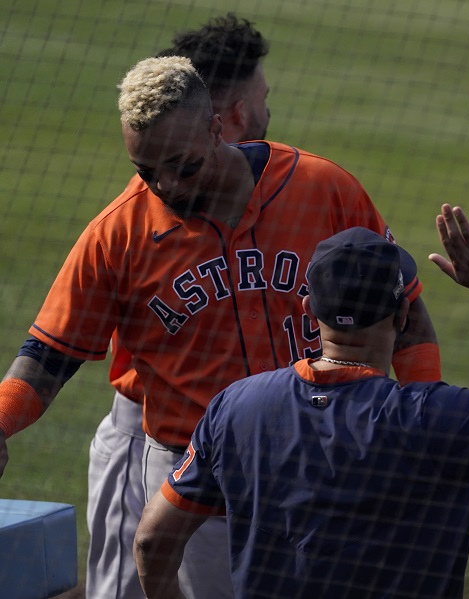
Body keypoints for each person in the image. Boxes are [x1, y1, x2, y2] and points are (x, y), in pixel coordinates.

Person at [0, 55, 440, 599]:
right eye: (146, 171)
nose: (166, 185)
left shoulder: (322, 188)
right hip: (196, 485)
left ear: (216, 129)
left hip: (328, 464)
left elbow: (407, 312)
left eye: (183, 166)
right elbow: (48, 357)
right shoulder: (118, 234)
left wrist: (424, 417)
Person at [132, 210, 469, 599]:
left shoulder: (236, 407)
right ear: (402, 314)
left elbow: (153, 541)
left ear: (309, 310)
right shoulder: (440, 420)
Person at [87, 14, 273, 599]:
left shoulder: (274, 184)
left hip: (251, 448)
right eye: (263, 98)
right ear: (233, 115)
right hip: (150, 440)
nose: (267, 109)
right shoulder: (139, 216)